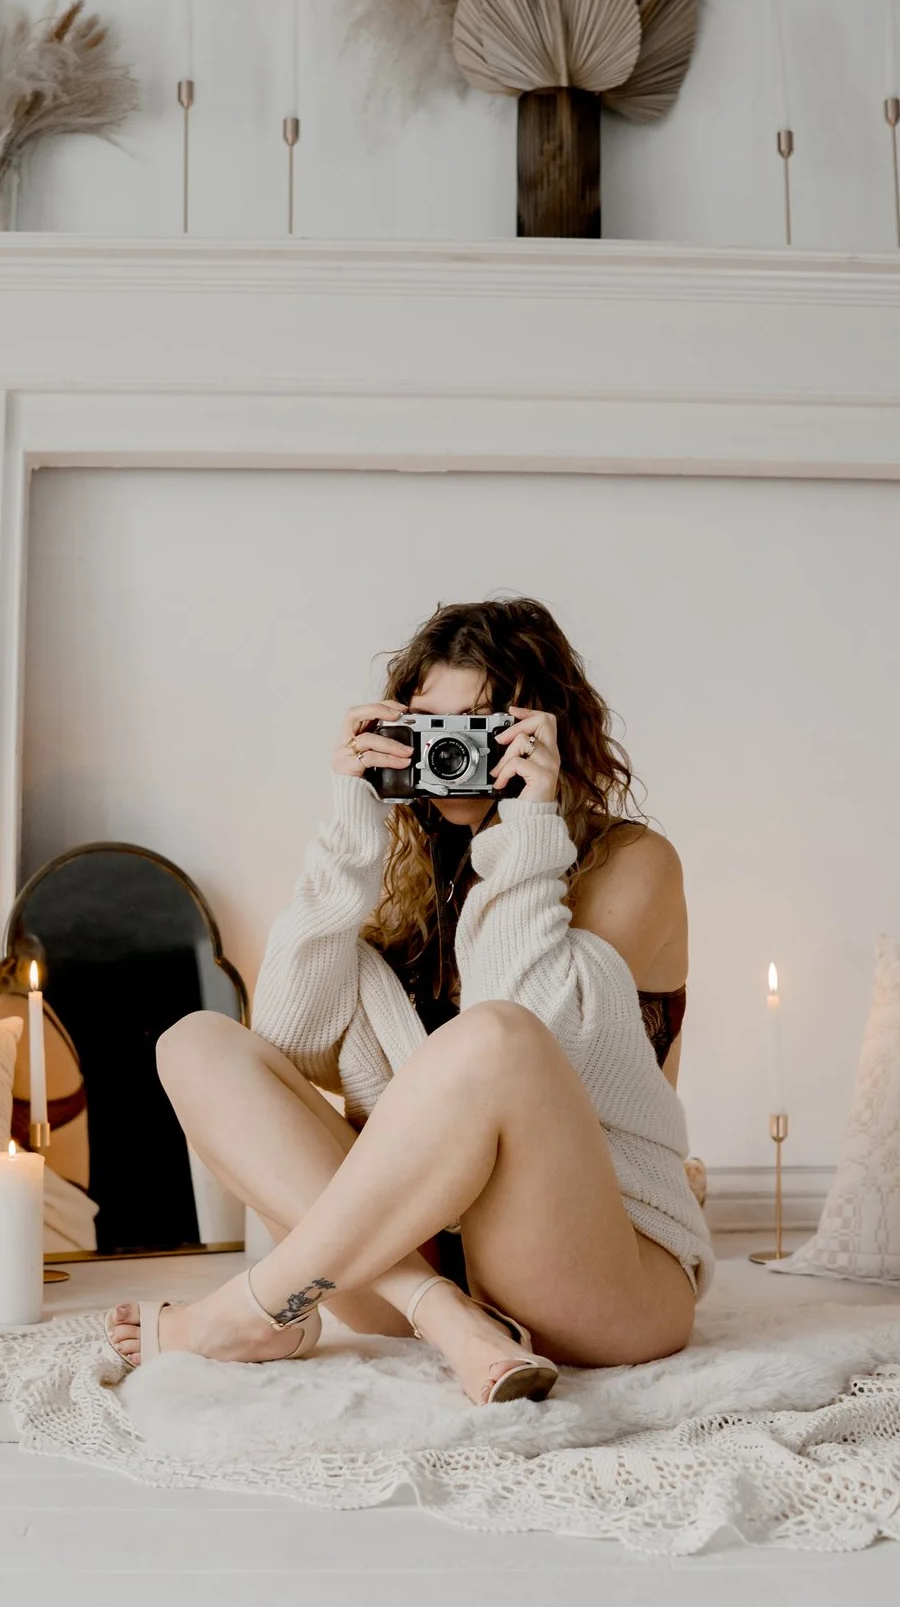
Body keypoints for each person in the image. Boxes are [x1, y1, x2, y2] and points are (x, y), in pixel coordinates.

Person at [110, 598, 709, 1405]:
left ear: (546, 730)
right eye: (431, 728)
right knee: (194, 1042)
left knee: (496, 1036)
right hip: (406, 1259)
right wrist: (352, 824)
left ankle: (253, 1307)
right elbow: (289, 1041)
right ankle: (444, 1315)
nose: (455, 752)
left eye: (482, 726)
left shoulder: (632, 864)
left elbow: (535, 1044)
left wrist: (529, 822)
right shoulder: (412, 872)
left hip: (597, 1264)